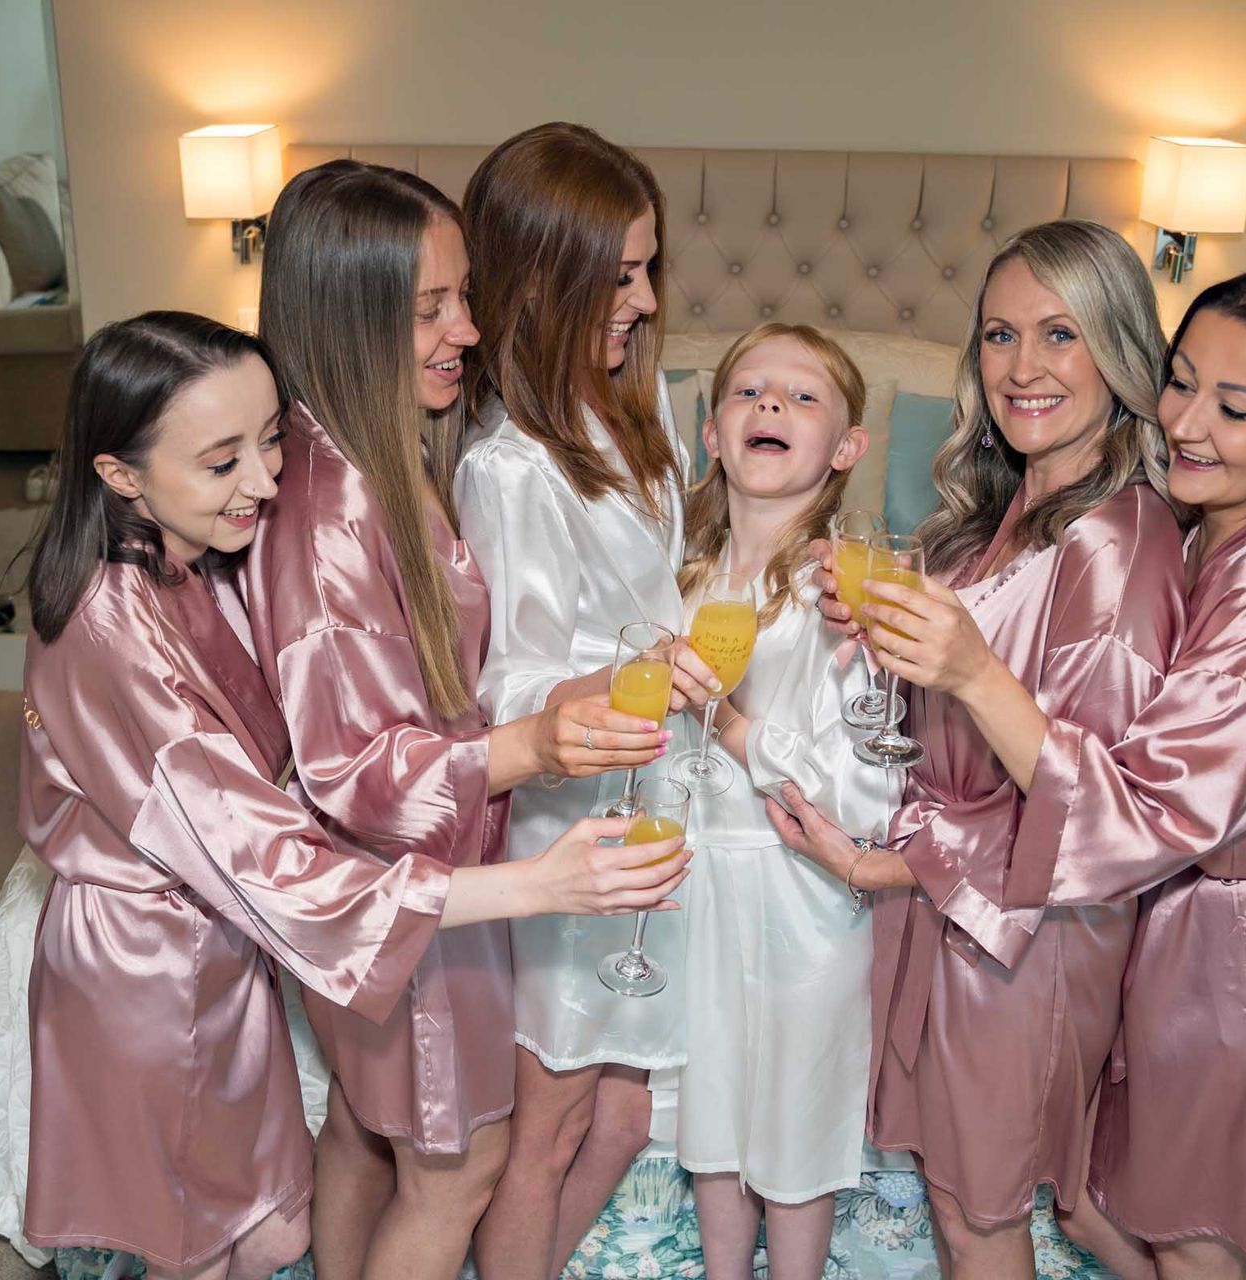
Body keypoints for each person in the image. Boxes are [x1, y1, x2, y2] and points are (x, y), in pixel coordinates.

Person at [19, 311, 686, 1280]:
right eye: (221, 461)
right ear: (119, 473)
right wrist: (537, 885)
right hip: (145, 969)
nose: (265, 481)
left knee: (276, 1232)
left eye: (271, 440)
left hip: (222, 947)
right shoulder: (109, 635)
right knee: (195, 1249)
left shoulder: (185, 556)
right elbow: (272, 861)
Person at [244, 159, 679, 1280]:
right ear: (351, 312)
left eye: (464, 297)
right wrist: (529, 743)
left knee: (359, 1125)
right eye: (433, 305)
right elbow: (353, 763)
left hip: (399, 886)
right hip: (410, 885)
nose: (469, 330)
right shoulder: (335, 509)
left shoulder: (366, 453)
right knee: (463, 1165)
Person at [928, 264, 1246, 1280]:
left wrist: (972, 671)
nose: (1187, 422)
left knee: (1196, 1236)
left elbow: (1144, 805)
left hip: (1241, 957)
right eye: (1180, 383)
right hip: (1185, 925)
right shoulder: (1210, 530)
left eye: (1235, 406)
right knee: (1106, 1205)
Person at [776, 222, 1186, 1280]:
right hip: (959, 899)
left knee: (980, 1216)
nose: (1021, 366)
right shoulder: (1017, 509)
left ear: (1121, 350)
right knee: (964, 1199)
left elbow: (1105, 808)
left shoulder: (1119, 547)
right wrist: (889, 641)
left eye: (1061, 333)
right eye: (1000, 334)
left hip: (1026, 933)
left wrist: (964, 670)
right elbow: (957, 724)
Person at [455, 121, 719, 1279]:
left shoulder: (625, 411)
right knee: (552, 1125)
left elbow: (643, 586)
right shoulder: (509, 466)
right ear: (543, 281)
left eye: (650, 265)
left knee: (619, 1119)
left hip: (651, 797)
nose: (646, 297)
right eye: (619, 275)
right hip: (574, 827)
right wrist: (633, 667)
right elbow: (508, 681)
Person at [668, 324, 903, 1279]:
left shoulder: (842, 596)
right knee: (714, 1111)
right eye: (749, 392)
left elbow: (862, 785)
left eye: (803, 398)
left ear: (847, 449)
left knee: (797, 1121)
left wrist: (734, 726)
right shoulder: (674, 573)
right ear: (714, 434)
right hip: (694, 879)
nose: (772, 406)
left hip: (800, 886)